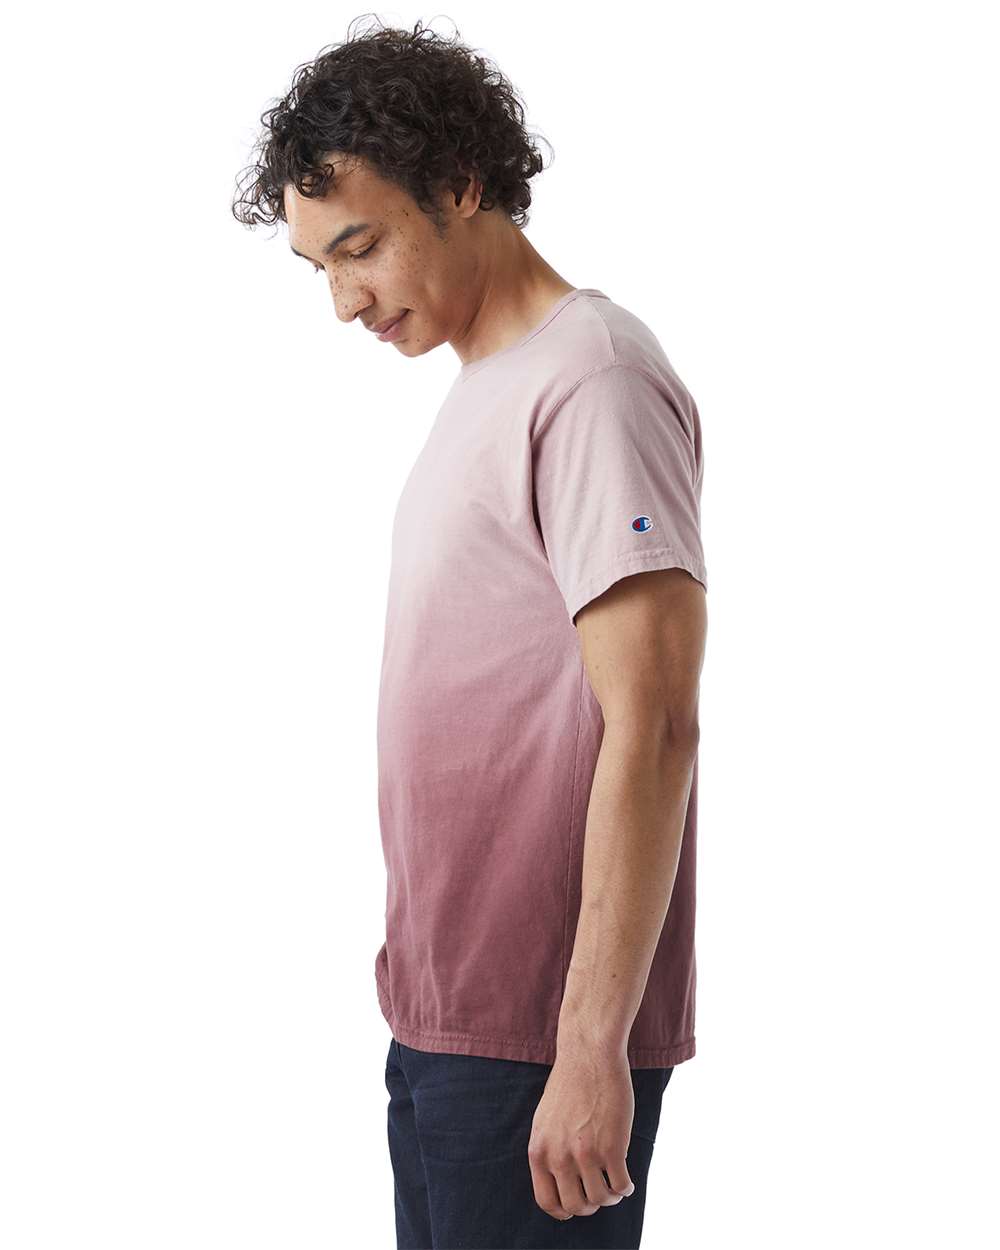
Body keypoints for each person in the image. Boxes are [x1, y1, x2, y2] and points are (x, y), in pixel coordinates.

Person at [233, 17, 708, 1249]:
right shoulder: (487, 381)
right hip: (447, 1016)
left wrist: (589, 1044)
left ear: (459, 184)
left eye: (361, 247)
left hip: (536, 1039)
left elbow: (655, 722)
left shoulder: (592, 380)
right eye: (318, 267)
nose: (345, 301)